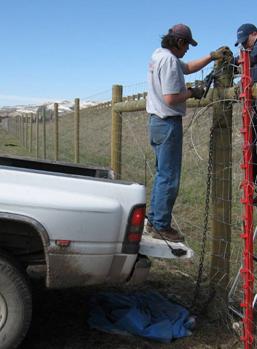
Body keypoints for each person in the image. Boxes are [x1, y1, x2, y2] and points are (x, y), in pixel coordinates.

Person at [146, 23, 228, 242]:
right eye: (187, 45)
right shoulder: (170, 61)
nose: (188, 50)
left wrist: (212, 56)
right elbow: (171, 97)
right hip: (167, 122)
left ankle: (154, 220)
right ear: (179, 42)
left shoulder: (159, 55)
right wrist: (193, 91)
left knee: (162, 174)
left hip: (155, 121)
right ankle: (161, 225)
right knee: (169, 177)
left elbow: (189, 67)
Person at [234, 23, 257, 189]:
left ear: (254, 34)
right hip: (253, 104)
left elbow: (251, 58)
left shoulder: (254, 50)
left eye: (245, 40)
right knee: (253, 145)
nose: (243, 45)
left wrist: (237, 61)